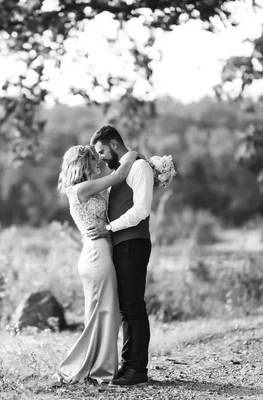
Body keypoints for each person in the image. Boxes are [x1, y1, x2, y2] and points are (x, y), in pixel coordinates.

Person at [54, 144, 139, 384]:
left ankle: (95, 367)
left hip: (98, 253)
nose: (98, 162)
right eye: (94, 158)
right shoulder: (81, 188)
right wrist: (135, 155)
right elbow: (119, 176)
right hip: (96, 256)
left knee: (102, 314)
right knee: (104, 314)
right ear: (83, 163)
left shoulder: (87, 190)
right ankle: (97, 369)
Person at [88, 125, 154, 386]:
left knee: (134, 307)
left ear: (114, 144)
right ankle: (128, 365)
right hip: (123, 245)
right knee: (127, 308)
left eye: (102, 151)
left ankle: (138, 369)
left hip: (134, 244)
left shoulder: (139, 168)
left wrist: (108, 227)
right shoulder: (122, 171)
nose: (101, 157)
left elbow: (142, 210)